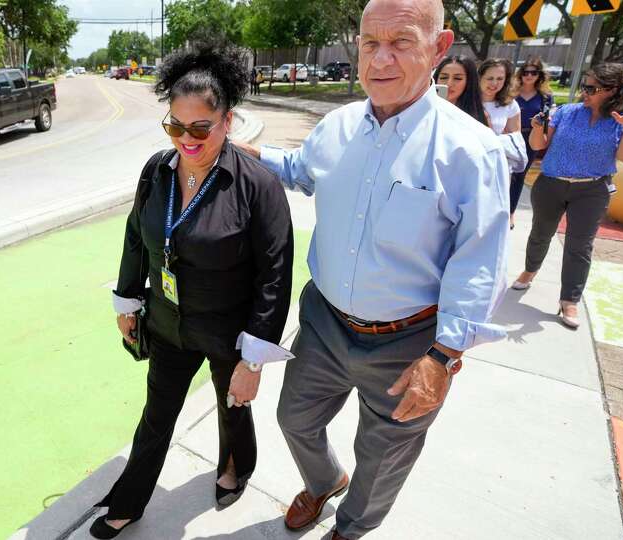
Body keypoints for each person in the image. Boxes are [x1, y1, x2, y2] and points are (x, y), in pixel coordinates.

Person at [235, 0, 510, 537]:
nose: (379, 59)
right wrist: (245, 151)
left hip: (409, 341)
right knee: (295, 419)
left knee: (384, 452)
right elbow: (302, 171)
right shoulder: (336, 127)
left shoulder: (470, 150)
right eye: (368, 43)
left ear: (440, 46)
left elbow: (480, 260)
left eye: (401, 42)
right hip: (324, 324)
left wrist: (444, 356)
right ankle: (324, 482)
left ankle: (354, 525)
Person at [94, 42, 294, 539]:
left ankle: (236, 466)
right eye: (175, 126)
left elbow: (275, 275)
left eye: (199, 127)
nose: (186, 139)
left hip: (228, 331)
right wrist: (127, 301)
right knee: (155, 417)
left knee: (234, 410)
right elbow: (135, 237)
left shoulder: (257, 185)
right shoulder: (156, 170)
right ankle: (129, 501)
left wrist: (252, 362)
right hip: (166, 325)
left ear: (227, 121)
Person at [512, 63, 623, 329]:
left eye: (592, 88)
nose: (585, 91)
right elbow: (538, 145)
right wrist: (537, 127)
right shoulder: (567, 112)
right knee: (540, 233)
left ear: (612, 91)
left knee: (580, 246)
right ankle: (530, 270)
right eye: (584, 85)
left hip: (592, 190)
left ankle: (569, 299)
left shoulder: (620, 120)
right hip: (551, 184)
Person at [511, 57, 554, 229]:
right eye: (526, 72)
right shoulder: (511, 92)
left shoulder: (545, 97)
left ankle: (511, 212)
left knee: (520, 175)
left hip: (530, 139)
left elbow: (547, 119)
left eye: (533, 72)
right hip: (512, 135)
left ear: (539, 75)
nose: (529, 76)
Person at [434, 54, 487, 125]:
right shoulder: (424, 110)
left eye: (457, 78)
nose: (449, 83)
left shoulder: (477, 117)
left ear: (469, 82)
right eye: (444, 77)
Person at [479, 58, 520, 135]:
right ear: (479, 78)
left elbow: (515, 139)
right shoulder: (466, 99)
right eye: (490, 78)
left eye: (500, 79)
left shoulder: (510, 104)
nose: (494, 83)